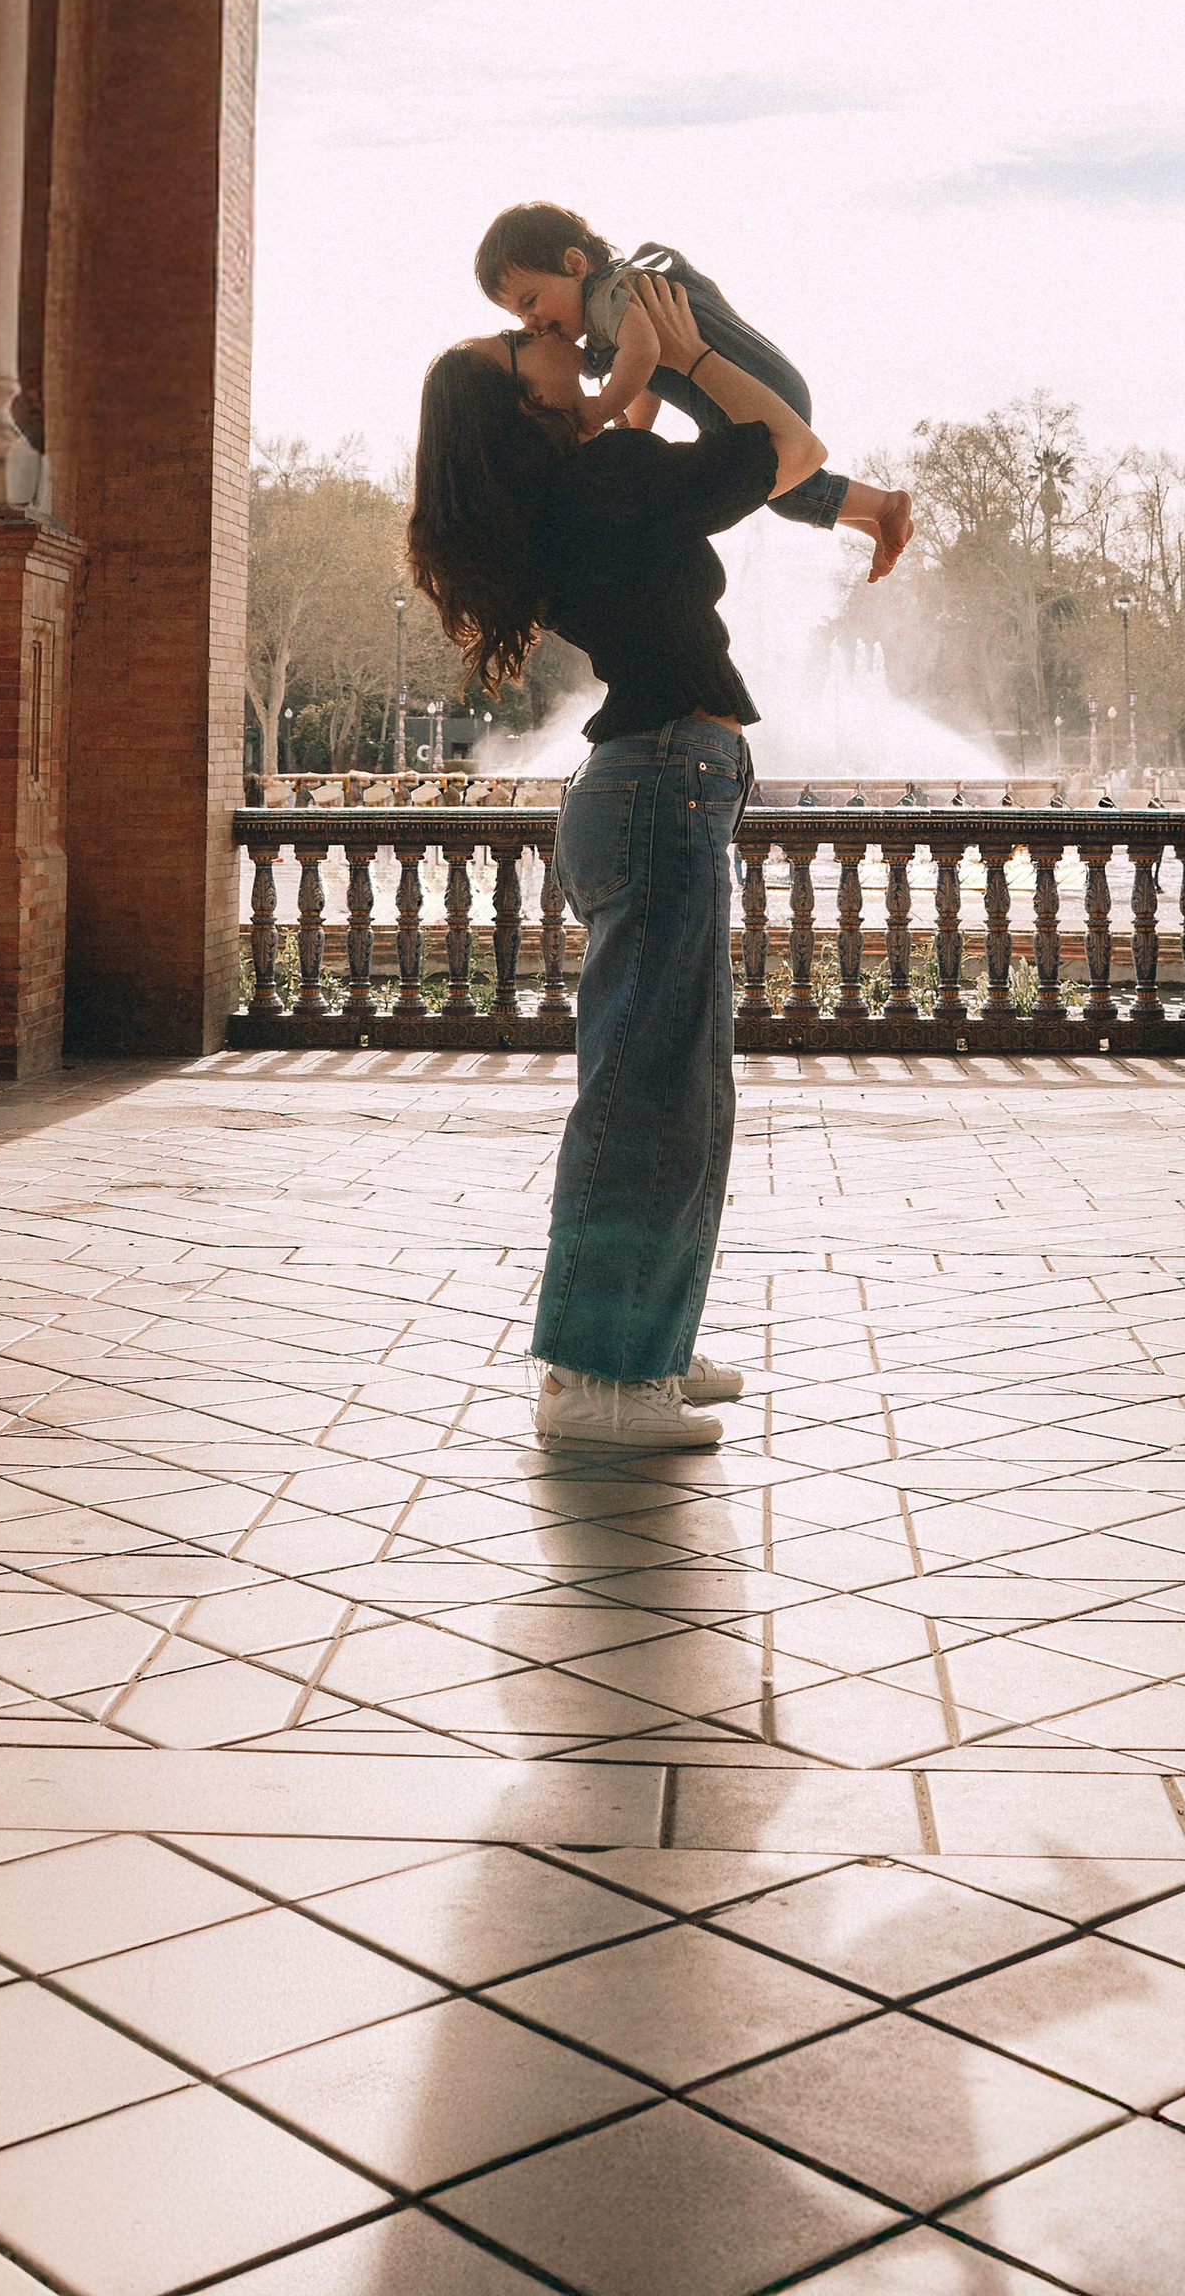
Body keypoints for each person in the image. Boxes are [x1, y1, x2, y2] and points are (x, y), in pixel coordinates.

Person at [407, 278, 823, 1447]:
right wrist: (690, 355)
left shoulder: (576, 484)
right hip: (659, 782)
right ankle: (596, 1381)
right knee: (650, 1092)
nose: (545, 330)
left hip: (651, 784)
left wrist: (629, 386)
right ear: (519, 405)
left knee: (683, 1087)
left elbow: (619, 443)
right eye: (519, 340)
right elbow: (792, 447)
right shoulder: (599, 480)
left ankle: (647, 1347)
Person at [473, 200, 912, 581]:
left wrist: (599, 410)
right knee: (778, 490)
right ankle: (874, 518)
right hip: (760, 388)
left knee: (775, 487)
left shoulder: (612, 297)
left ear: (574, 265)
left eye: (530, 301)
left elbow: (643, 355)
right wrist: (634, 434)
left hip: (755, 394)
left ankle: (885, 508)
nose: (529, 322)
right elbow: (645, 373)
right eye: (518, 315)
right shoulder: (615, 305)